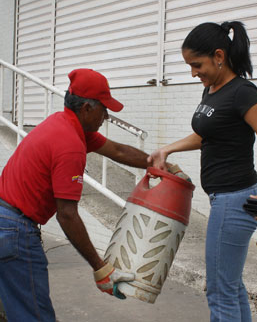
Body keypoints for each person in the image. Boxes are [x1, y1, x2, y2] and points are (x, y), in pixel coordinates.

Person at [148, 21, 257, 322]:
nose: (193, 73)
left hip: (234, 199)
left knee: (219, 292)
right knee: (231, 286)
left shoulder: (243, 93)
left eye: (197, 65)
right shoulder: (211, 89)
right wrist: (167, 149)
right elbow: (205, 135)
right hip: (224, 199)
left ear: (219, 56)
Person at [0, 68, 150, 321]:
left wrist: (155, 163)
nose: (107, 116)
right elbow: (67, 215)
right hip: (15, 231)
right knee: (33, 314)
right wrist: (100, 268)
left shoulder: (62, 123)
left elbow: (118, 151)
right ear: (87, 108)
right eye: (104, 109)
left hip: (5, 220)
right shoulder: (70, 145)